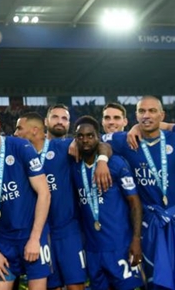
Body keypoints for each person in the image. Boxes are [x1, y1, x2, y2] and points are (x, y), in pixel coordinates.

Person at [105, 96, 175, 289]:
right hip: (148, 224)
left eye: (152, 111)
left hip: (173, 218)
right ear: (135, 115)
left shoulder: (172, 138)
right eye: (142, 111)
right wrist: (102, 160)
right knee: (153, 280)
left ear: (162, 115)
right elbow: (99, 141)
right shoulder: (125, 141)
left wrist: (149, 125)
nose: (146, 115)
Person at [15, 111, 88, 290]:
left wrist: (101, 158)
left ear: (34, 130)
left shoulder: (62, 147)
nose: (15, 134)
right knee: (51, 286)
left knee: (75, 285)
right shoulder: (19, 155)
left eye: (19, 128)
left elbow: (99, 144)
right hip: (41, 233)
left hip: (67, 230)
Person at [0, 106, 51, 290]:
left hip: (32, 234)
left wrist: (35, 238)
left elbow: (44, 193)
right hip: (4, 240)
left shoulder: (20, 147)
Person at [73, 116, 143, 290]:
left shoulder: (116, 164)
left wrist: (136, 240)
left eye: (90, 135)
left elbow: (134, 202)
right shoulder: (73, 165)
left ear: (98, 137)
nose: (85, 140)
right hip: (93, 248)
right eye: (80, 136)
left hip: (119, 245)